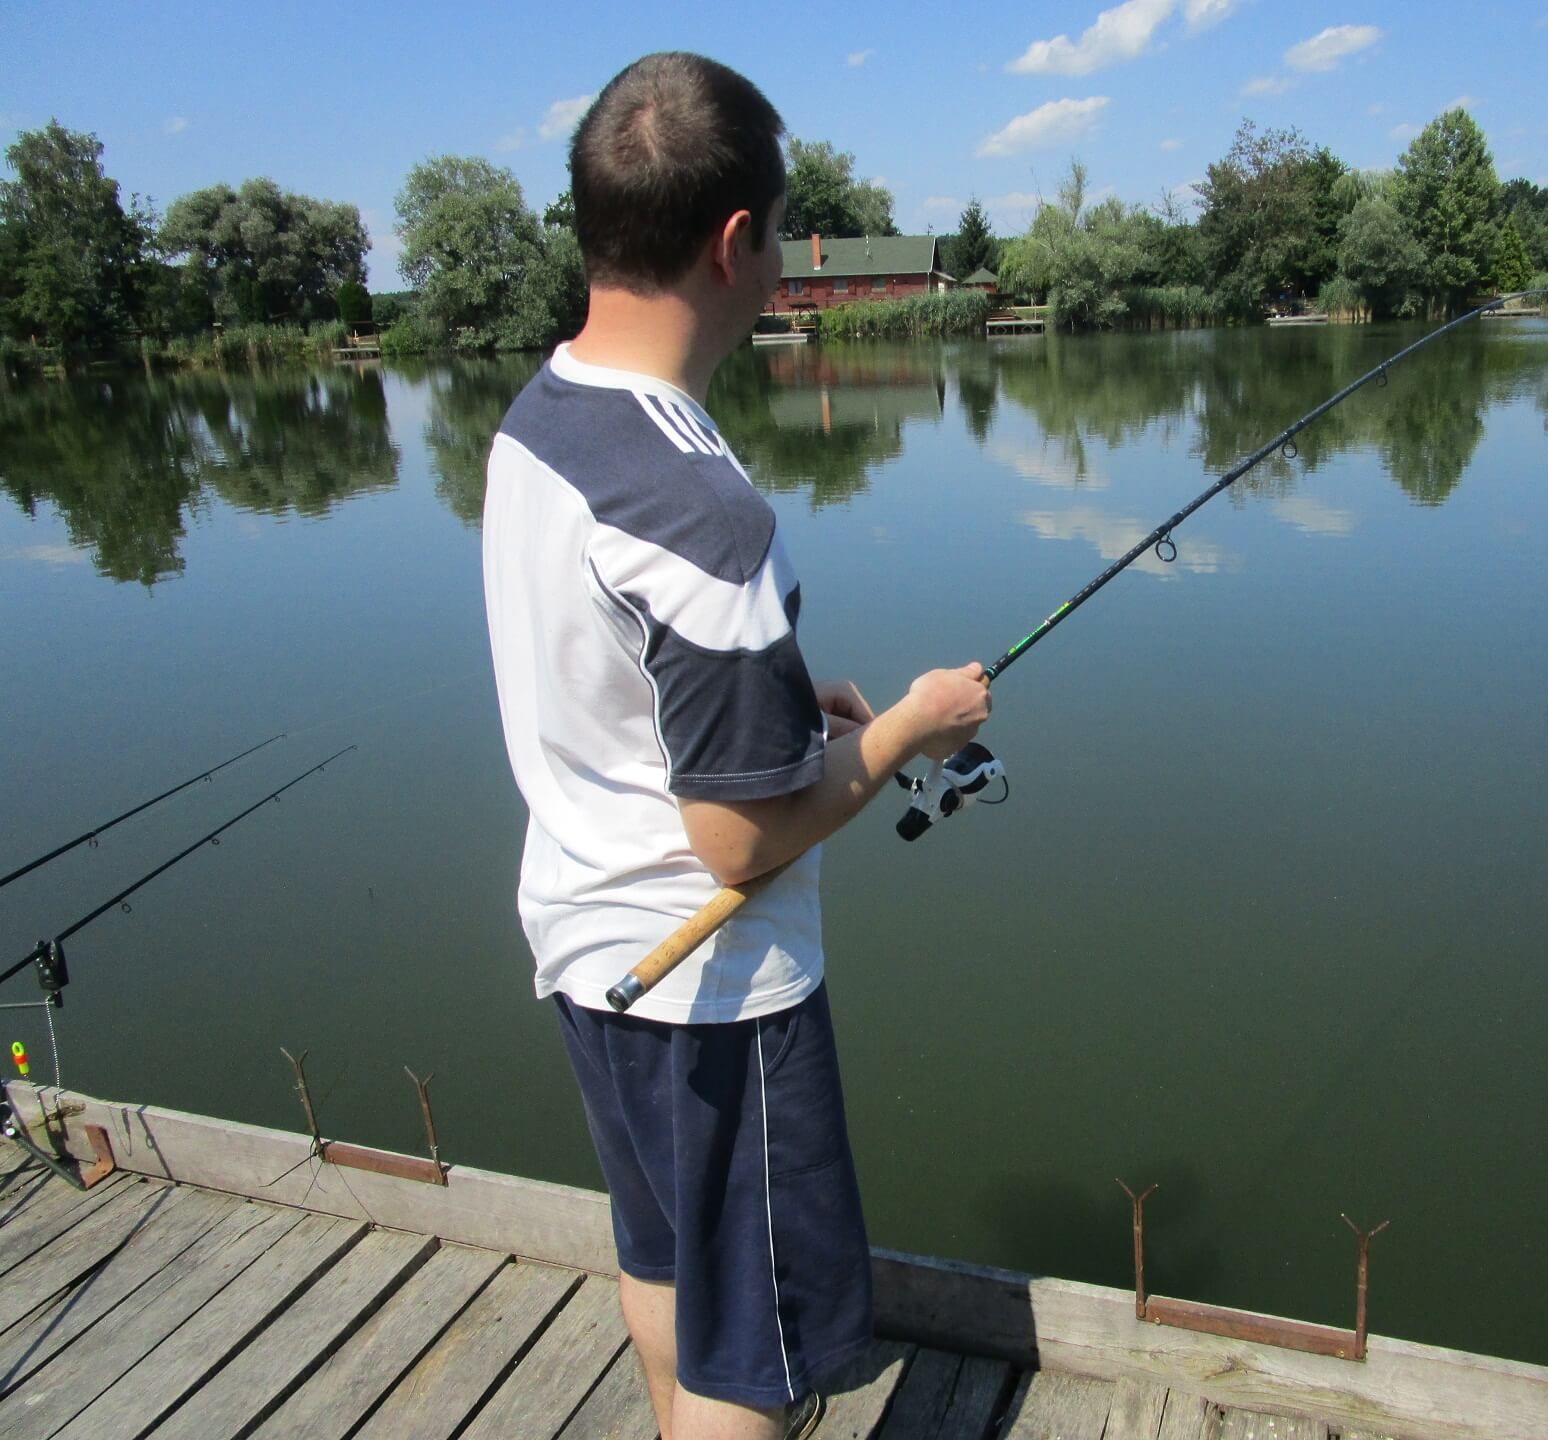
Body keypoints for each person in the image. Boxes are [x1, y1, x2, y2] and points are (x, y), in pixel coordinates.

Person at [480, 52, 992, 1440]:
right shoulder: (706, 512)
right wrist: (904, 728)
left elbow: (623, 678)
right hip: (711, 993)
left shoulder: (541, 421)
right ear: (736, 245)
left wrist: (782, 712)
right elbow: (739, 837)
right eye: (779, 235)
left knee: (667, 1262)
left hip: (588, 952)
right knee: (749, 1355)